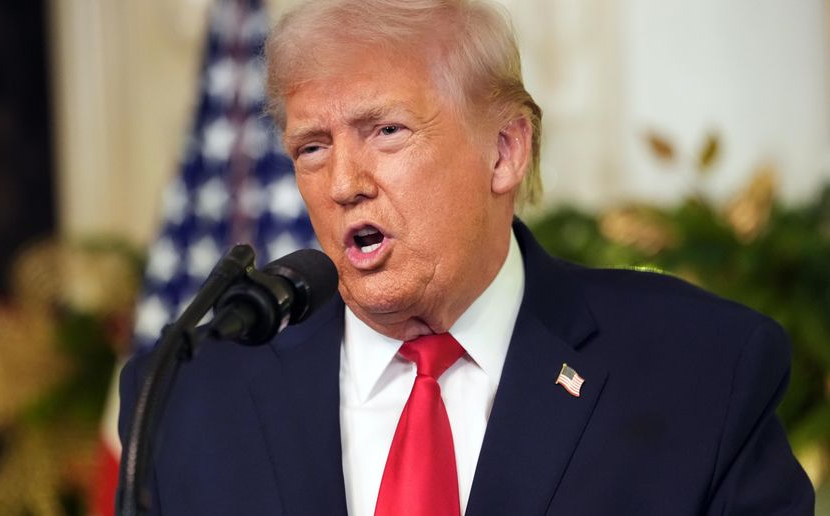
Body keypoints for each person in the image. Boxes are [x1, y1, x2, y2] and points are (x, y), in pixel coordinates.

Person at [118, 0, 815, 514]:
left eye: (385, 131)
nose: (343, 183)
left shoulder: (698, 371)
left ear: (505, 150)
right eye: (312, 147)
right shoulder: (189, 400)